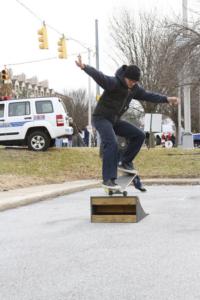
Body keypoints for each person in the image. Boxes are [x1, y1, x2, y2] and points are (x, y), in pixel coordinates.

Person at [75, 55, 179, 189]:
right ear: (125, 77)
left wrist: (167, 99)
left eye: (135, 82)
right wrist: (85, 67)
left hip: (115, 120)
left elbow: (149, 95)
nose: (132, 84)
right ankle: (108, 179)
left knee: (139, 135)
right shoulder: (114, 83)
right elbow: (99, 76)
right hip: (101, 118)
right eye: (130, 81)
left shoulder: (134, 89)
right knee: (111, 143)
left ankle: (125, 161)